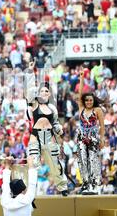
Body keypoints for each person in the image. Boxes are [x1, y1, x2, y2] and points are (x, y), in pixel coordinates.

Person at [25, 61, 68, 196]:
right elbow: (29, 90)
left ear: (49, 94)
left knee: (55, 164)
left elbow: (55, 123)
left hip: (49, 136)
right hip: (36, 136)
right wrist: (31, 72)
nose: (44, 93)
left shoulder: (52, 108)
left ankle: (62, 188)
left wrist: (59, 130)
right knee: (34, 164)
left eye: (46, 91)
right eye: (42, 91)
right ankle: (29, 191)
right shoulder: (34, 104)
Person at [75, 70, 105, 195]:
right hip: (81, 136)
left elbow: (102, 126)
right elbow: (80, 93)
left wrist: (102, 139)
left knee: (93, 159)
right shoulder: (81, 108)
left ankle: (95, 185)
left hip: (93, 137)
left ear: (93, 101)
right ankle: (85, 183)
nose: (88, 102)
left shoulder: (97, 110)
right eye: (86, 100)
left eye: (90, 100)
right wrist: (81, 79)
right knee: (82, 160)